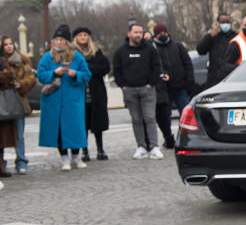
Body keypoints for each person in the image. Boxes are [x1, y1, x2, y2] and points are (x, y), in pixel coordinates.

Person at [37, 24, 91, 171]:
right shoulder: (47, 57)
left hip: (72, 100)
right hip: (53, 100)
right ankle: (64, 158)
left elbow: (87, 74)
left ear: (67, 41)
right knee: (59, 129)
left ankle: (76, 157)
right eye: (57, 39)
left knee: (75, 128)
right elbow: (40, 75)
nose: (59, 42)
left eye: (62, 39)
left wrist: (76, 75)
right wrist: (55, 72)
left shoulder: (76, 56)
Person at [113, 23, 163, 159]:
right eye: (135, 32)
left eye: (140, 32)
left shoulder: (150, 49)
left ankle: (154, 146)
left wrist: (151, 83)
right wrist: (122, 85)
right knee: (136, 119)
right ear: (129, 33)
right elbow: (116, 70)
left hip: (147, 89)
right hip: (129, 90)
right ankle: (141, 146)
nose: (138, 35)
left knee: (150, 118)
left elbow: (157, 66)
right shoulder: (121, 52)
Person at [152, 23, 195, 149]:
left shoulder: (178, 46)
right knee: (165, 116)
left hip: (180, 86)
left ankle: (187, 137)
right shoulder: (154, 49)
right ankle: (168, 138)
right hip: (165, 89)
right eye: (160, 33)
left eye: (164, 32)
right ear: (156, 35)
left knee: (185, 113)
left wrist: (189, 82)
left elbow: (187, 64)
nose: (163, 35)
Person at [72, 27, 110, 161]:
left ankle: (100, 149)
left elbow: (105, 68)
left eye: (85, 35)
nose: (83, 37)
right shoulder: (72, 53)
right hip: (79, 93)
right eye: (80, 35)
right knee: (83, 124)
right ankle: (85, 151)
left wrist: (88, 69)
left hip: (96, 92)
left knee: (97, 124)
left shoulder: (96, 52)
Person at [0, 36, 35, 175]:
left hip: (19, 100)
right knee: (4, 135)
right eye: (5, 45)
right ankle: (2, 164)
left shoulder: (23, 59)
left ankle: (21, 161)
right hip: (3, 100)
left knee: (19, 134)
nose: (9, 47)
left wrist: (22, 84)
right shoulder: (1, 61)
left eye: (10, 44)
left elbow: (31, 78)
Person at [196, 14, 236, 87]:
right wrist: (210, 36)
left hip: (231, 76)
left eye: (227, 22)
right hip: (214, 78)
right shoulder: (213, 37)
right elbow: (200, 50)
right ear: (218, 23)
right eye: (223, 22)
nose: (225, 24)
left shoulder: (235, 37)